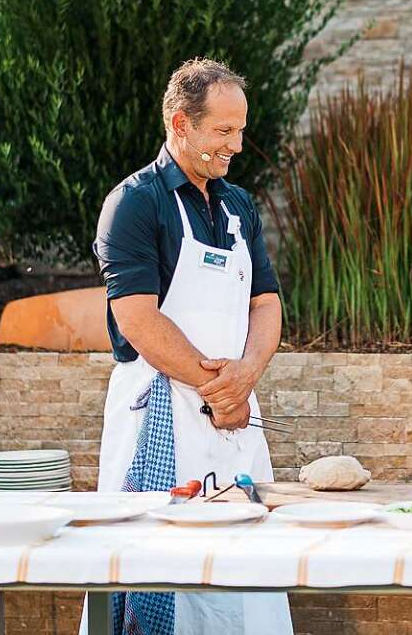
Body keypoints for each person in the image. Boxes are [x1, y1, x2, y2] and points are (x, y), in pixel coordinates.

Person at [89, 58, 292, 635]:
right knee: (157, 570)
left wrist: (246, 376)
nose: (237, 144)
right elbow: (137, 319)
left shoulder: (237, 206)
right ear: (181, 124)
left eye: (241, 129)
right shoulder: (135, 203)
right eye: (223, 132)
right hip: (161, 412)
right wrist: (217, 386)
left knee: (243, 583)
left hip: (234, 418)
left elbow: (266, 303)